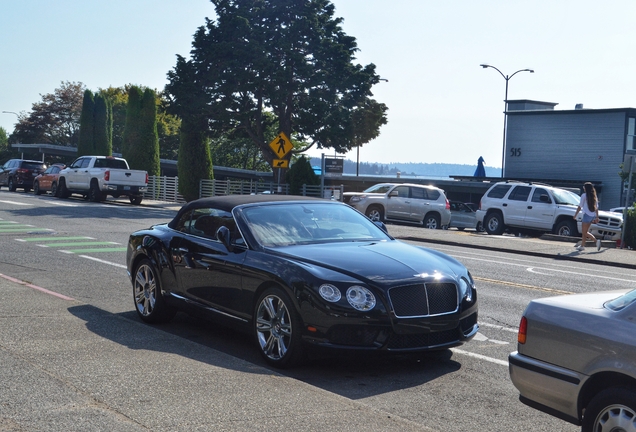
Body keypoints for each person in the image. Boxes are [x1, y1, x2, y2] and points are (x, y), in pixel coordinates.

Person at [573, 182, 601, 251]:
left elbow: (580, 206)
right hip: (592, 215)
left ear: (586, 188)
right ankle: (582, 246)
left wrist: (575, 215)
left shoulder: (584, 196)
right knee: (585, 231)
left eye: (584, 187)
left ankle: (596, 241)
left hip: (586, 215)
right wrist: (597, 217)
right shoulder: (594, 196)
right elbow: (596, 208)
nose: (583, 188)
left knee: (584, 232)